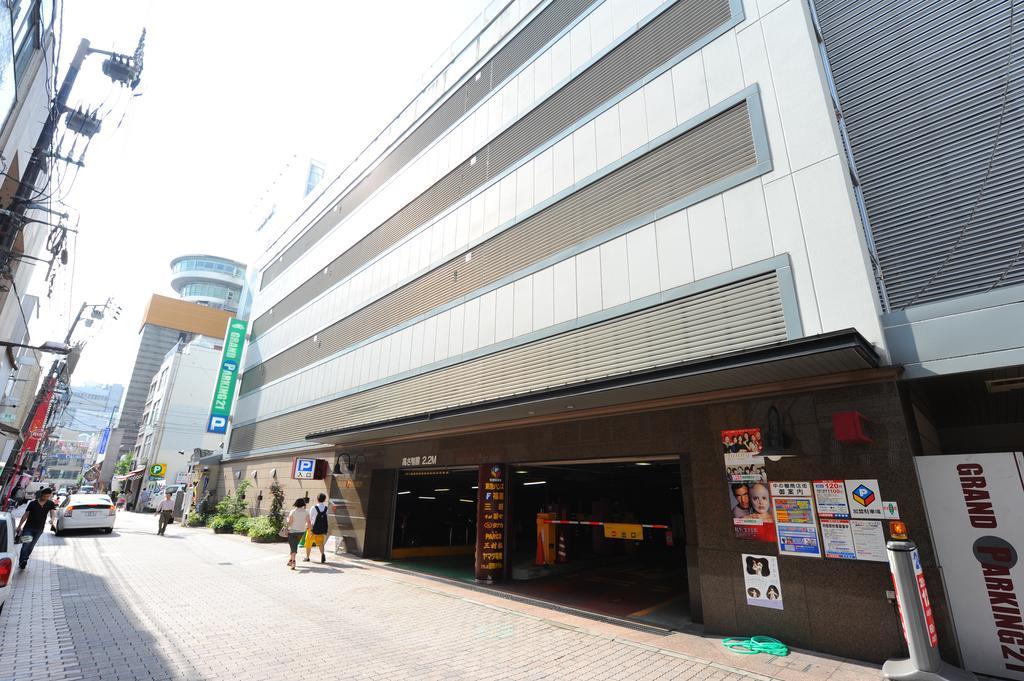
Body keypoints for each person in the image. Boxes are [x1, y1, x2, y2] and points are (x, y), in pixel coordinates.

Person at [15, 488, 57, 569]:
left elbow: (53, 512)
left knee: (31, 547)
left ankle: (25, 559)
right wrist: (20, 526)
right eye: (46, 496)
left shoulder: (50, 503)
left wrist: (52, 519)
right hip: (28, 528)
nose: (47, 497)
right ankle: (22, 561)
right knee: (25, 546)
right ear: (42, 495)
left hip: (39, 529)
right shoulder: (32, 503)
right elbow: (26, 515)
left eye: (49, 496)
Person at [285, 498, 310, 570]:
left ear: (296, 503)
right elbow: (308, 522)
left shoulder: (293, 511)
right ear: (303, 504)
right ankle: (290, 560)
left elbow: (289, 522)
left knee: (293, 547)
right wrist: (310, 529)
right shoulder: (306, 512)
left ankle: (293, 562)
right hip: (301, 532)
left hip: (292, 532)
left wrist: (287, 521)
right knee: (294, 546)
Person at [304, 493, 330, 564]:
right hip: (321, 529)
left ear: (317, 499)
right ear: (324, 500)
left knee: (308, 543)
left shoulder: (313, 508)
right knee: (320, 543)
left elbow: (309, 518)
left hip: (312, 529)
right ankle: (322, 554)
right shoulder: (326, 508)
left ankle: (307, 557)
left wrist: (307, 526)